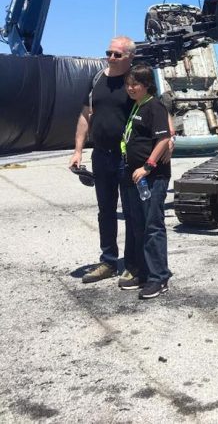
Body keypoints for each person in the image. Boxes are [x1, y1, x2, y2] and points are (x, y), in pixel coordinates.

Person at [70, 36, 138, 286]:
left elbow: (155, 110)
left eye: (117, 54)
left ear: (130, 56)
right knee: (105, 211)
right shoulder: (97, 78)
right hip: (101, 155)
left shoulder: (136, 81)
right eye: (108, 52)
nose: (111, 57)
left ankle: (133, 264)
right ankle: (108, 261)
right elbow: (86, 115)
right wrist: (78, 150)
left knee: (132, 212)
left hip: (128, 157)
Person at [121, 63, 172, 300]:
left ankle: (159, 278)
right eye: (128, 84)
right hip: (135, 176)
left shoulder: (154, 107)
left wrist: (148, 166)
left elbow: (163, 140)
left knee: (153, 227)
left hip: (152, 177)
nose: (130, 88)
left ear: (147, 85)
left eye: (135, 84)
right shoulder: (136, 106)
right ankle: (144, 272)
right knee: (139, 226)